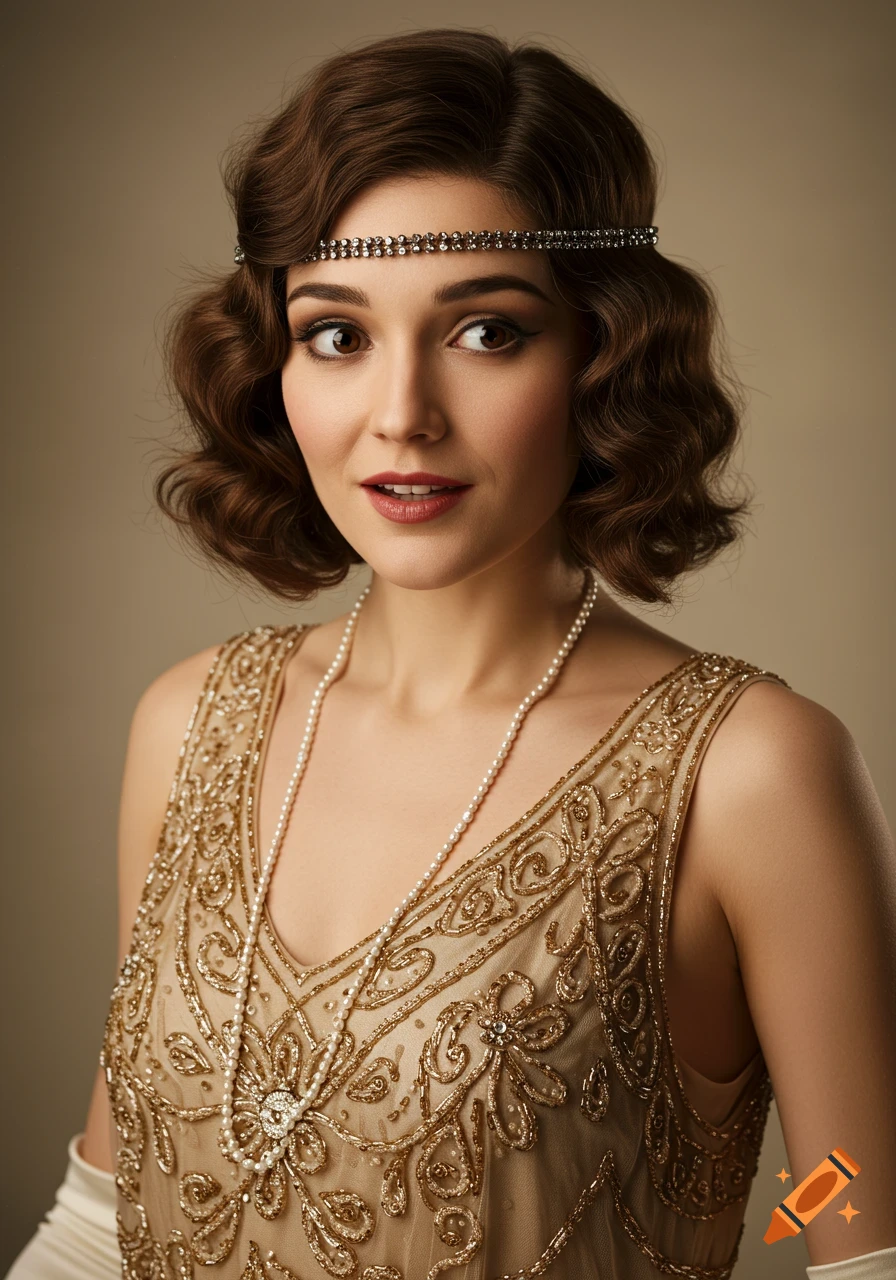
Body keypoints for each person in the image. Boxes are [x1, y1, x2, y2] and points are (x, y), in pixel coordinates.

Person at [7, 26, 895, 1280]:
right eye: (336, 334)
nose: (401, 413)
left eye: (485, 331)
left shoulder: (748, 772)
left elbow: (861, 1225)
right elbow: (104, 1218)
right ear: (275, 368)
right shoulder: (189, 721)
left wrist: (803, 1211)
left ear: (600, 349)